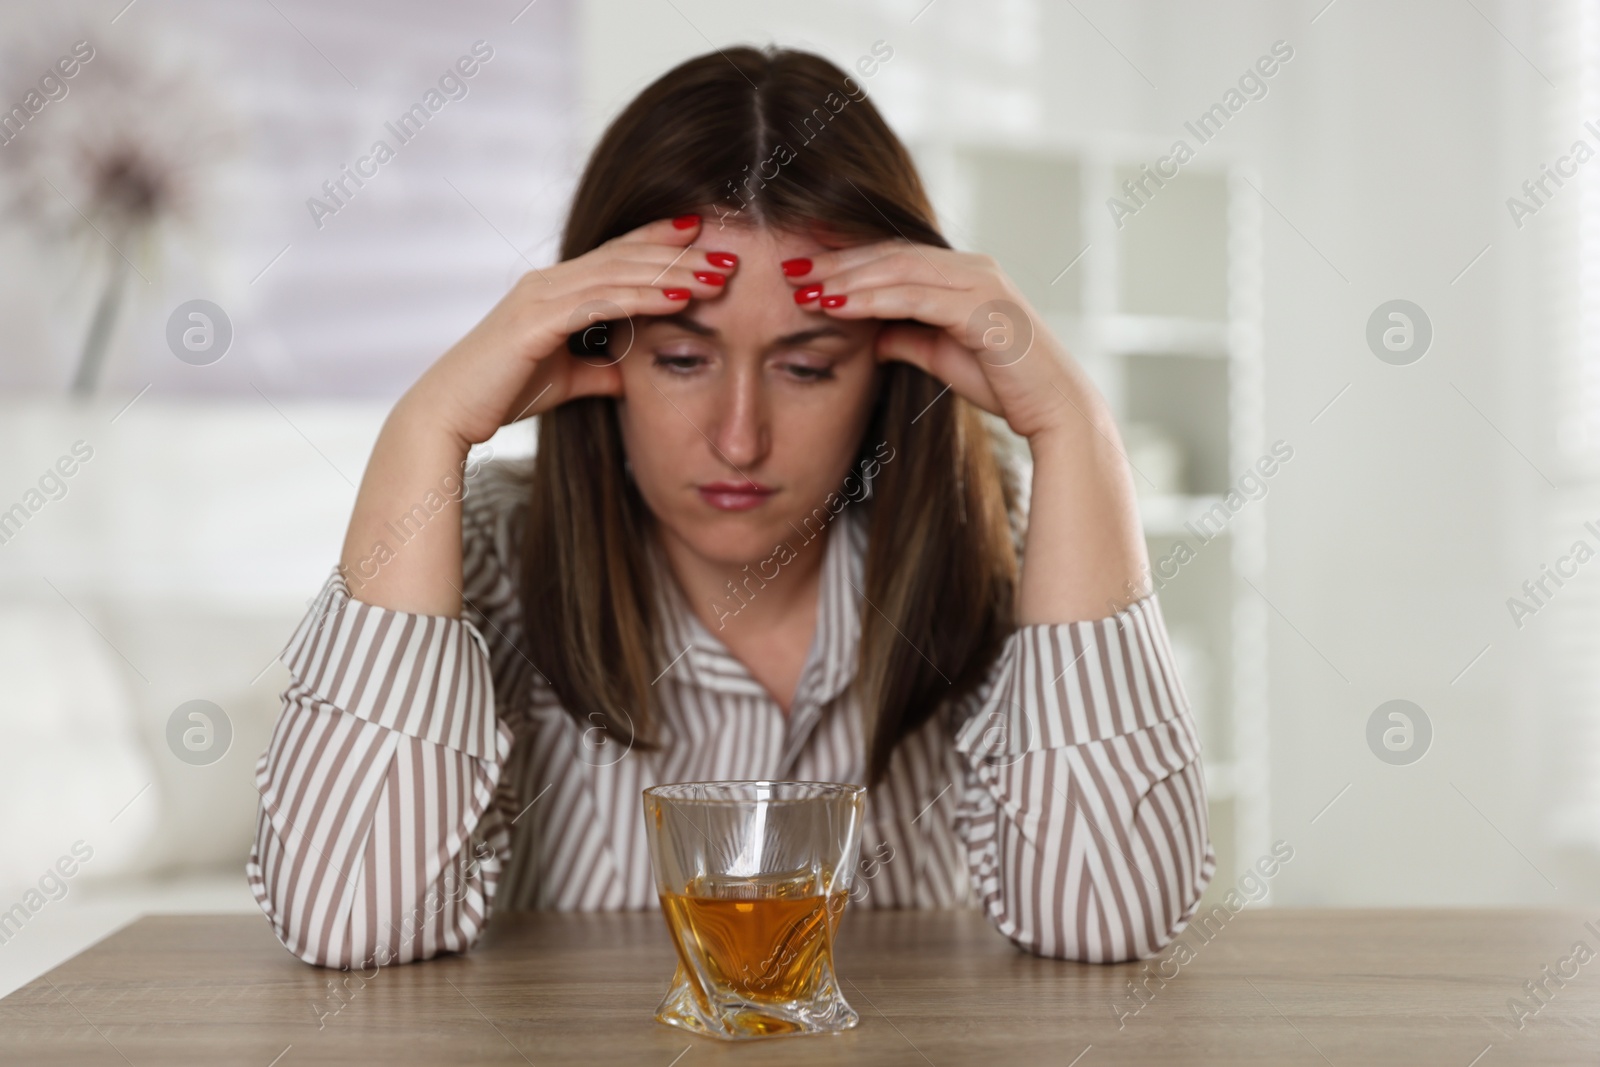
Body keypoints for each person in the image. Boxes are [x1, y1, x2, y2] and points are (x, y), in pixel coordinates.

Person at [247, 44, 1214, 972]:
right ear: (599, 343)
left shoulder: (994, 551)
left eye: (805, 365)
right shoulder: (487, 554)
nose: (739, 437)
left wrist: (1075, 427)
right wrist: (427, 427)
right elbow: (351, 923)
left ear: (888, 360)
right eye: (680, 358)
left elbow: (1109, 916)